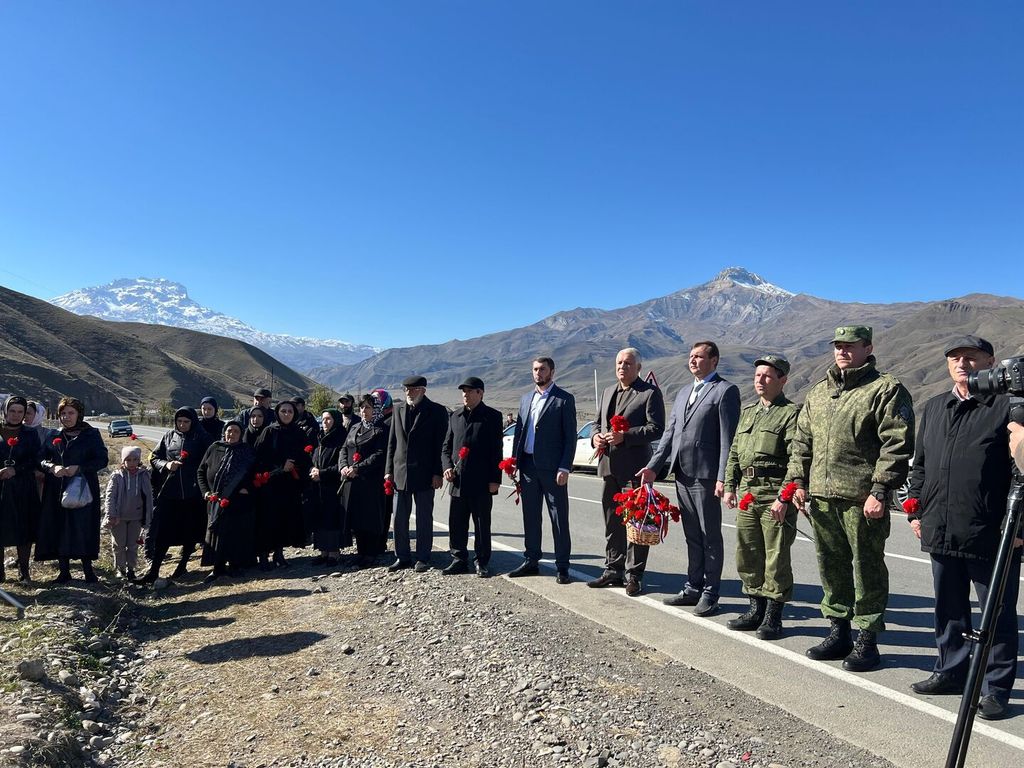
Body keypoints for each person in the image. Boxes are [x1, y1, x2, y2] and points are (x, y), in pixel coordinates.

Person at [776, 325, 914, 672]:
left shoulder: (885, 389)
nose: (842, 351)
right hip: (821, 496)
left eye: (850, 346)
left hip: (861, 498)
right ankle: (839, 631)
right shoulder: (819, 393)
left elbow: (896, 444)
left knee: (867, 568)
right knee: (830, 564)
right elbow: (801, 443)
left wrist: (880, 490)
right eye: (838, 346)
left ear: (868, 347)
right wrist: (797, 482)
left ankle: (867, 640)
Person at [905, 336, 1016, 719]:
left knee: (996, 614)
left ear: (991, 361)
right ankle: (951, 671)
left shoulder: (1008, 408)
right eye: (955, 358)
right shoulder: (936, 407)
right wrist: (915, 510)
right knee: (948, 609)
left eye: (971, 357)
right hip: (941, 525)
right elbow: (920, 465)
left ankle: (996, 689)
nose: (962, 364)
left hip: (993, 532)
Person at [640, 341, 741, 616]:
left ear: (714, 361)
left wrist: (723, 477)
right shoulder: (684, 391)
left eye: (699, 357)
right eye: (691, 356)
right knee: (692, 535)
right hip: (682, 474)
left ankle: (711, 591)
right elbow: (669, 435)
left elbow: (727, 440)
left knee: (710, 536)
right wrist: (653, 466)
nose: (693, 361)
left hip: (707, 477)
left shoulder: (725, 391)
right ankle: (693, 587)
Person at [722, 356, 801, 639]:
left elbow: (797, 459)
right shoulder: (749, 412)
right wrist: (730, 485)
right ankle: (754, 608)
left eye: (767, 376)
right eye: (757, 375)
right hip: (747, 493)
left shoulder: (791, 414)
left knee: (776, 557)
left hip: (774, 493)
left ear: (782, 381)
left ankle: (773, 616)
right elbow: (734, 451)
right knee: (747, 552)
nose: (760, 380)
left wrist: (784, 497)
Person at [588, 348, 665, 596]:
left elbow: (656, 429)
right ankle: (613, 569)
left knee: (636, 524)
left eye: (628, 363)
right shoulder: (608, 392)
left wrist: (626, 437)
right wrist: (595, 438)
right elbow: (597, 424)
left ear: (639, 367)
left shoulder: (649, 393)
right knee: (612, 522)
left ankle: (634, 575)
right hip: (609, 467)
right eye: (619, 362)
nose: (623, 366)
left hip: (634, 469)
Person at [510, 357, 577, 584]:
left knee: (559, 518)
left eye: (542, 369)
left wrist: (565, 466)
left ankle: (562, 566)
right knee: (530, 516)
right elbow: (520, 432)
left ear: (552, 371)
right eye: (535, 370)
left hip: (553, 469)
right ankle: (531, 560)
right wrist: (514, 462)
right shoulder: (526, 399)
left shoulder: (564, 400)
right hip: (528, 467)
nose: (538, 373)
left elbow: (570, 438)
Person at [36, 397, 109, 583]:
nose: (66, 417)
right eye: (63, 413)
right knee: (59, 526)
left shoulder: (91, 435)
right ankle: (64, 571)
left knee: (83, 527)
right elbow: (41, 459)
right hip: (57, 489)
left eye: (71, 413)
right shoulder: (54, 435)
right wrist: (52, 467)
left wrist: (79, 468)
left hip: (82, 488)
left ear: (79, 414)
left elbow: (101, 460)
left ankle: (88, 571)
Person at [440, 377, 504, 578]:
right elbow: (446, 448)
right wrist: (447, 467)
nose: (465, 395)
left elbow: (496, 450)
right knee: (456, 522)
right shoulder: (455, 416)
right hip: (458, 481)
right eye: (463, 392)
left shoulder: (492, 416)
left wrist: (496, 479)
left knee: (481, 523)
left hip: (482, 481)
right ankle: (458, 558)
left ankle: (482, 561)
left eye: (469, 391)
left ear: (480, 393)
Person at [385, 376, 448, 572]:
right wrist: (388, 471)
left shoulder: (437, 411)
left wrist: (437, 472)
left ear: (423, 390)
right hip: (400, 473)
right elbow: (392, 443)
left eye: (412, 389)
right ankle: (402, 556)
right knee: (399, 518)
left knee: (423, 518)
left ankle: (423, 557)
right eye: (406, 389)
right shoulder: (398, 409)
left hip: (425, 473)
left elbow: (441, 445)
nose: (408, 393)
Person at [142, 407, 213, 583]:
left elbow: (212, 459)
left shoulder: (202, 437)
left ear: (193, 422)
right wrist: (166, 465)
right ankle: (153, 571)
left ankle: (182, 565)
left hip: (193, 494)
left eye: (186, 422)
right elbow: (154, 457)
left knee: (190, 531)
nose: (182, 425)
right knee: (164, 532)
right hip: (170, 492)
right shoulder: (169, 436)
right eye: (179, 421)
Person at [253, 400, 313, 567]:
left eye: (290, 412)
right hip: (270, 483)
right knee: (268, 520)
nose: (287, 414)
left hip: (290, 484)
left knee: (284, 519)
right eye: (283, 411)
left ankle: (279, 554)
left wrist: (297, 468)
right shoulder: (269, 431)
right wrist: (280, 467)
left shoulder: (299, 433)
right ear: (277, 413)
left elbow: (304, 457)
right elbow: (259, 457)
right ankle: (264, 556)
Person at [198, 421, 257, 581]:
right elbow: (201, 471)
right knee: (217, 533)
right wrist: (205, 492)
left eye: (236, 431)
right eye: (229, 431)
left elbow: (254, 474)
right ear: (224, 432)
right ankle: (217, 568)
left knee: (235, 534)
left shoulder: (246, 451)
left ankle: (235, 566)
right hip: (215, 499)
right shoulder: (214, 448)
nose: (232, 434)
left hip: (238, 501)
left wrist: (247, 488)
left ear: (241, 434)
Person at [340, 395, 390, 567]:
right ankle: (360, 551)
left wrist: (358, 468)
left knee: (370, 517)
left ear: (375, 409)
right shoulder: (354, 427)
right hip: (352, 481)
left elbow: (379, 455)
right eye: (362, 408)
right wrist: (344, 466)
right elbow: (344, 448)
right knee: (357, 517)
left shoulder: (381, 429)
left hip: (371, 481)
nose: (364, 411)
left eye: (368, 407)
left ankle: (371, 552)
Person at [0, 396, 43, 582]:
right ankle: (0, 573)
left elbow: (36, 460)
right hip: (1, 487)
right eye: (12, 411)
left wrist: (15, 469)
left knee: (23, 529)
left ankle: (24, 571)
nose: (16, 415)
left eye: (20, 412)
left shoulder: (30, 434)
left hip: (23, 487)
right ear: (5, 412)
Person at [103, 445, 153, 582]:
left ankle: (131, 569)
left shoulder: (144, 475)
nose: (132, 463)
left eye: (135, 459)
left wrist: (147, 516)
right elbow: (110, 496)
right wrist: (111, 514)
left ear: (139, 460)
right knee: (118, 545)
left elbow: (148, 496)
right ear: (123, 461)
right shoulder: (117, 476)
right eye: (128, 460)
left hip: (136, 517)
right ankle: (120, 569)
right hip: (119, 518)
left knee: (132, 545)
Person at [305, 409, 347, 566]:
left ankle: (334, 553)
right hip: (318, 485)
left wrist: (322, 473)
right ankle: (323, 551)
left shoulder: (340, 438)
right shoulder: (319, 437)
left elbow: (340, 464)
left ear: (335, 420)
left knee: (332, 518)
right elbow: (312, 459)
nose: (325, 422)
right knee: (320, 517)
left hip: (333, 485)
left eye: (329, 419)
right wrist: (312, 470)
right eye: (323, 419)